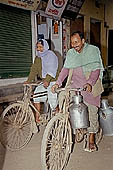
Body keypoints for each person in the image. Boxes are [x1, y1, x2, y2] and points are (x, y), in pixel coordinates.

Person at [51, 31, 104, 152]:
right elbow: (65, 69)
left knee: (91, 110)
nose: (74, 45)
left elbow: (96, 70)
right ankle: (64, 122)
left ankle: (91, 139)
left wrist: (90, 83)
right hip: (75, 84)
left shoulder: (92, 51)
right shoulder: (71, 53)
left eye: (77, 42)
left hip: (90, 85)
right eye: (72, 43)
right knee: (63, 95)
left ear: (83, 41)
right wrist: (58, 82)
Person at [25, 39, 59, 123]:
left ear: (46, 47)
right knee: (36, 95)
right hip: (44, 81)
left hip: (53, 80)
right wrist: (29, 80)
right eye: (37, 47)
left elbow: (52, 69)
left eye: (41, 47)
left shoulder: (51, 55)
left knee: (52, 101)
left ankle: (57, 117)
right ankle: (38, 118)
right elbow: (34, 69)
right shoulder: (38, 57)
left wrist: (47, 80)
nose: (38, 49)